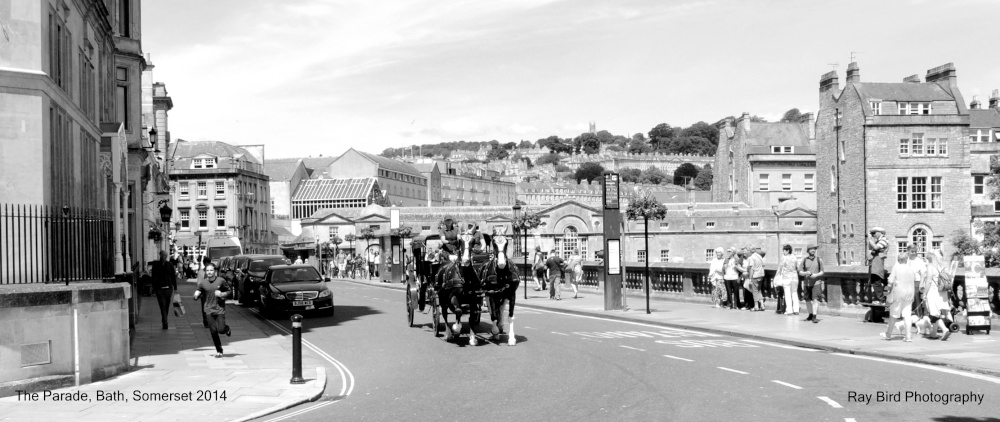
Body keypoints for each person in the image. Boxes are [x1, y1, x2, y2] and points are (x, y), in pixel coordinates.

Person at [192, 263, 232, 357]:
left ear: (215, 271)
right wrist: (195, 296)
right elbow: (196, 294)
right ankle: (219, 350)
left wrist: (222, 294)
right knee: (213, 331)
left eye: (211, 270)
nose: (209, 272)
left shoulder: (221, 281)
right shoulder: (203, 283)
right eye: (207, 270)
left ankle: (226, 328)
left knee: (221, 330)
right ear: (205, 272)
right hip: (208, 310)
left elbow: (230, 292)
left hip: (219, 309)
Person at [920, 249, 953, 340]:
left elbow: (929, 281)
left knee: (933, 313)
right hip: (942, 292)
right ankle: (933, 333)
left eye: (927, 257)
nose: (926, 259)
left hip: (933, 292)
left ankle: (944, 329)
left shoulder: (930, 267)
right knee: (936, 313)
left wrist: (924, 293)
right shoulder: (942, 266)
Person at [881, 254, 916, 342]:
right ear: (906, 259)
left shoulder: (896, 267)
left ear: (898, 260)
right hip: (910, 293)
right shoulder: (911, 269)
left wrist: (887, 292)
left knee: (893, 314)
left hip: (898, 293)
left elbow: (890, 281)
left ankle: (888, 334)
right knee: (907, 315)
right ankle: (908, 336)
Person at [151, 250, 179, 329]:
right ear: (160, 255)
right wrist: (154, 287)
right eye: (164, 255)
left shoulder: (169, 265)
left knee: (166, 305)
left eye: (166, 256)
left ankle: (164, 318)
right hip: (159, 289)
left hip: (168, 289)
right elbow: (153, 277)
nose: (165, 257)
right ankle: (165, 322)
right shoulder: (156, 265)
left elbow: (173, 277)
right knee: (162, 305)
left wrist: (175, 288)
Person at [799, 245, 825, 323]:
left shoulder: (819, 260)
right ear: (808, 251)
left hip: (816, 283)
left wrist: (816, 275)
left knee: (815, 299)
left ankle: (814, 316)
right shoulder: (804, 260)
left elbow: (822, 271)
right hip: (807, 283)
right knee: (807, 300)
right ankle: (810, 315)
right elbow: (800, 272)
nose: (813, 250)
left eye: (814, 249)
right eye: (811, 249)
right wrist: (806, 273)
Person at [776, 244, 800, 316]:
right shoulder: (795, 257)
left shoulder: (784, 258)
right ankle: (796, 309)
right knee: (794, 293)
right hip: (794, 277)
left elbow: (780, 268)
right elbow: (798, 267)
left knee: (787, 294)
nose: (783, 252)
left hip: (786, 278)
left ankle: (789, 310)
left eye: (784, 250)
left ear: (787, 250)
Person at [867, 227, 889, 304]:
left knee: (877, 280)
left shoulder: (883, 240)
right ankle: (879, 299)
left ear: (879, 232)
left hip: (878, 262)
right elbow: (871, 249)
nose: (873, 235)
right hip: (875, 262)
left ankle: (881, 299)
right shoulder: (878, 241)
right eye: (872, 234)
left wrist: (870, 240)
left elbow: (876, 248)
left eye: (874, 233)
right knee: (874, 280)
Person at [746, 246, 765, 311]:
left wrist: (750, 278)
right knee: (759, 290)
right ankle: (762, 305)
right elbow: (763, 265)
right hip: (761, 275)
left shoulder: (752, 258)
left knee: (755, 291)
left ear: (750, 251)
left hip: (755, 275)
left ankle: (756, 306)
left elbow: (751, 269)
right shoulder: (759, 256)